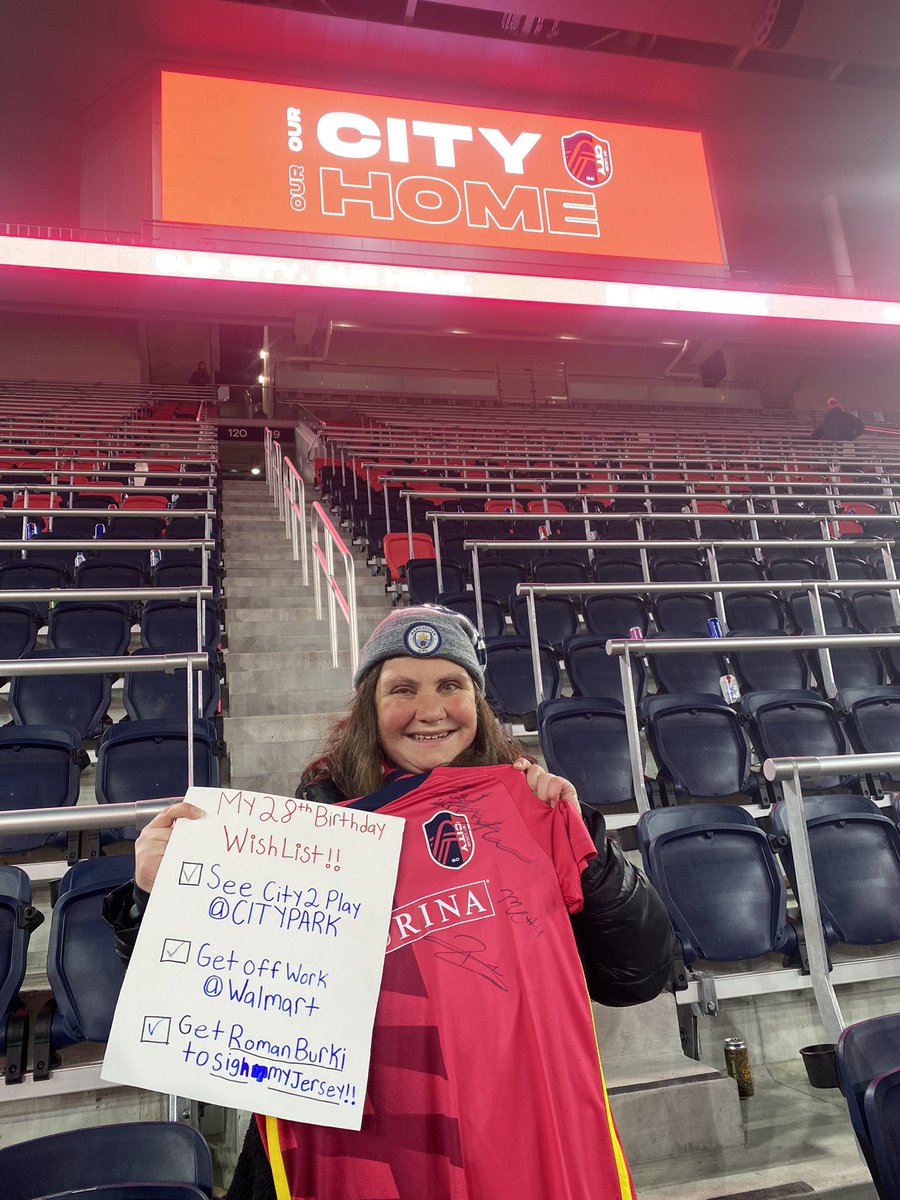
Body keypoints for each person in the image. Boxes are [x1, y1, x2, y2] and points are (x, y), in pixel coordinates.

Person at [106, 605, 675, 1200]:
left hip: (516, 1118)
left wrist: (586, 850)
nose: (431, 711)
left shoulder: (531, 806)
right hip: (370, 1138)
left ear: (476, 704)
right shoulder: (302, 838)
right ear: (369, 712)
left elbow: (641, 972)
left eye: (450, 686)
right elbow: (212, 1007)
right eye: (403, 689)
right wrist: (157, 895)